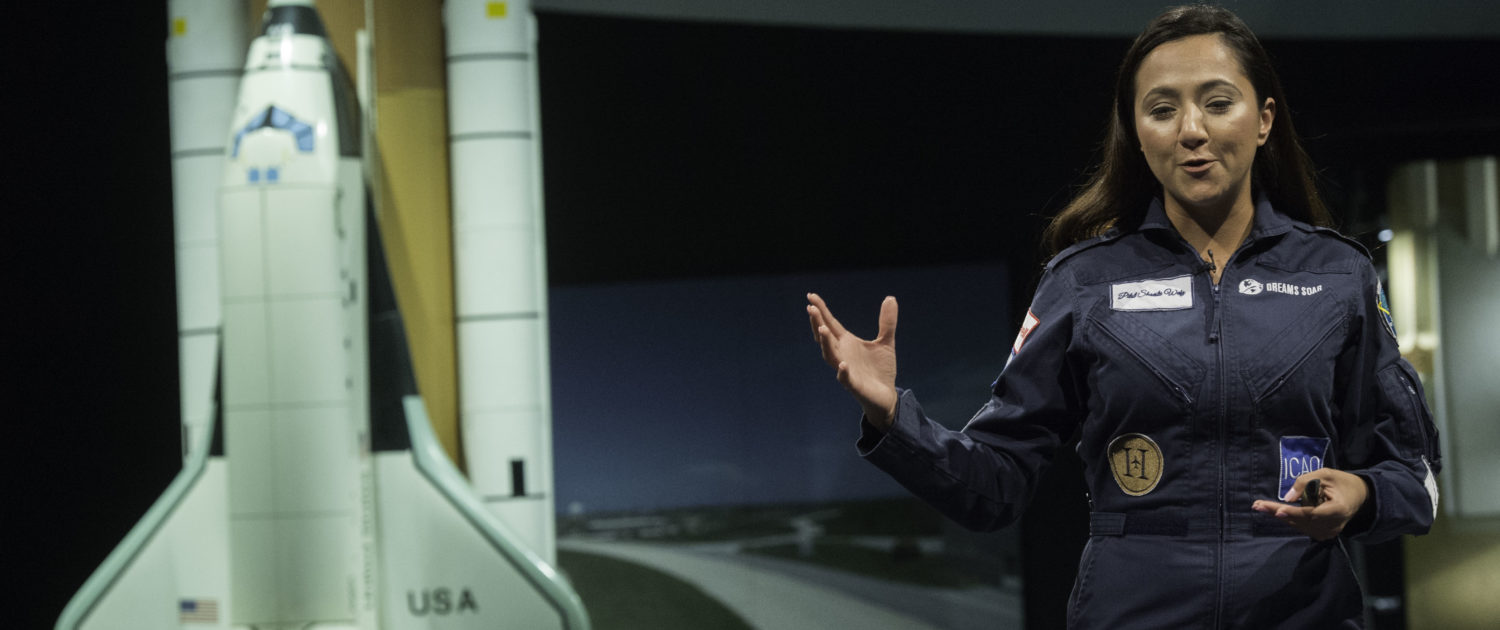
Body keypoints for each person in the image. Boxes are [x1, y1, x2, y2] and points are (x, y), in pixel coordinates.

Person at [806, 4, 1441, 628]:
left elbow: (1414, 473)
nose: (1191, 128)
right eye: (1162, 110)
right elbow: (994, 486)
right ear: (1137, 133)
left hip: (1306, 612)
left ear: (1264, 119)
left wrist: (1362, 499)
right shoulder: (1083, 282)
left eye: (1218, 102)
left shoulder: (1339, 276)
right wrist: (892, 417)